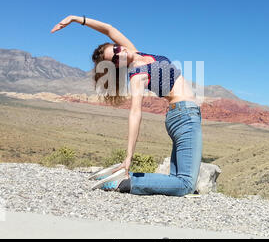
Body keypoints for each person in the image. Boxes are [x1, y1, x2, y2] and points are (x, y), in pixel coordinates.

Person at [51, 15, 202, 196]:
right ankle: (126, 183)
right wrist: (128, 157)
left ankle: (122, 180)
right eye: (115, 59)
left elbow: (109, 29)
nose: (120, 53)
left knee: (176, 178)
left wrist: (77, 19)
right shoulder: (136, 76)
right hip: (184, 116)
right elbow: (135, 114)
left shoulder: (136, 53)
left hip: (180, 116)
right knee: (185, 184)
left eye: (116, 49)